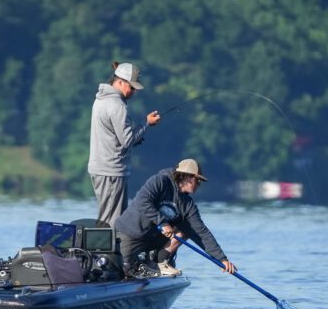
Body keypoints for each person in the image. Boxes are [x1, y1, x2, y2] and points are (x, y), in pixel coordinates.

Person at [115, 158, 237, 278]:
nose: (199, 184)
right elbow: (143, 202)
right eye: (197, 180)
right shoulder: (159, 181)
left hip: (152, 240)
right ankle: (137, 265)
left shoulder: (188, 205)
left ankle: (160, 262)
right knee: (124, 270)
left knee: (186, 230)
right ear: (187, 177)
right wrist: (162, 223)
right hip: (130, 234)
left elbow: (201, 233)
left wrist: (221, 259)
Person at [88, 62, 161, 228]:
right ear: (120, 82)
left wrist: (136, 133)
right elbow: (127, 140)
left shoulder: (100, 99)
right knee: (112, 220)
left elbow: (116, 136)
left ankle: (107, 250)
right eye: (132, 87)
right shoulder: (117, 105)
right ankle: (105, 252)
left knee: (108, 215)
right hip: (111, 170)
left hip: (100, 167)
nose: (134, 92)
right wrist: (147, 125)